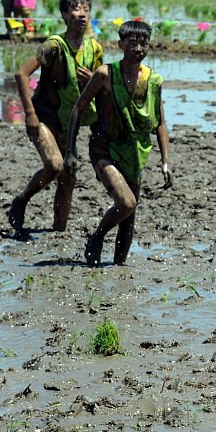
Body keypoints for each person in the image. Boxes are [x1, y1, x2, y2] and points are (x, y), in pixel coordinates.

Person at [64, 20, 172, 266]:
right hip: (104, 148)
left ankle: (119, 269)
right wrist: (71, 151)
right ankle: (97, 237)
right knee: (126, 203)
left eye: (143, 43)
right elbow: (77, 109)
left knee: (128, 219)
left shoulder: (154, 81)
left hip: (134, 152)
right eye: (132, 43)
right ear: (120, 44)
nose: (138, 49)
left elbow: (161, 124)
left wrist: (165, 162)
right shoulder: (105, 75)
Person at [7, 0, 103, 234]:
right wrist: (29, 115)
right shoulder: (53, 46)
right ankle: (22, 199)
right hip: (44, 117)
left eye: (85, 10)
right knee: (55, 166)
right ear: (64, 15)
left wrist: (93, 80)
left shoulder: (94, 49)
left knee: (69, 174)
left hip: (69, 122)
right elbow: (21, 74)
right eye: (75, 10)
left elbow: (101, 85)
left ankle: (58, 232)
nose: (81, 15)